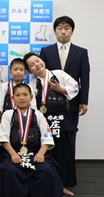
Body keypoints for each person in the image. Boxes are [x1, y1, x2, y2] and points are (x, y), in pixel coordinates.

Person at [39, 15, 90, 195]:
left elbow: (85, 77)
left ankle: (66, 179)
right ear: (55, 31)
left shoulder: (81, 52)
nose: (63, 31)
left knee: (68, 141)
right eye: (60, 28)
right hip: (50, 107)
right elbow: (40, 78)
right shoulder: (46, 51)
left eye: (67, 28)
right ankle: (48, 177)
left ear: (72, 31)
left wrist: (84, 101)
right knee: (49, 140)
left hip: (72, 105)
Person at [23, 52, 79, 196]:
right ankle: (52, 184)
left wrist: (61, 89)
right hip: (45, 121)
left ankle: (64, 185)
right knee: (49, 153)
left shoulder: (59, 74)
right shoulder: (32, 85)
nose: (37, 65)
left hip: (63, 119)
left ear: (42, 60)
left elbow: (75, 86)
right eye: (32, 65)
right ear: (30, 71)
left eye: (37, 61)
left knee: (64, 152)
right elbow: (34, 107)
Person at [0, 83, 63, 197]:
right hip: (13, 153)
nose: (21, 98)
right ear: (12, 98)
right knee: (10, 171)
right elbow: (3, 138)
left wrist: (41, 154)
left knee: (46, 170)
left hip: (35, 153)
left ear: (31, 97)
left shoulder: (38, 115)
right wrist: (13, 154)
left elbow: (46, 137)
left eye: (25, 94)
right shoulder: (8, 114)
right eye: (17, 95)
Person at [0, 58, 37, 124]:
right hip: (6, 120)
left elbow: (33, 107)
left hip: (25, 120)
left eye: (21, 70)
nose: (18, 72)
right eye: (15, 69)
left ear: (25, 73)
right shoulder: (4, 86)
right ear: (10, 72)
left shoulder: (29, 87)